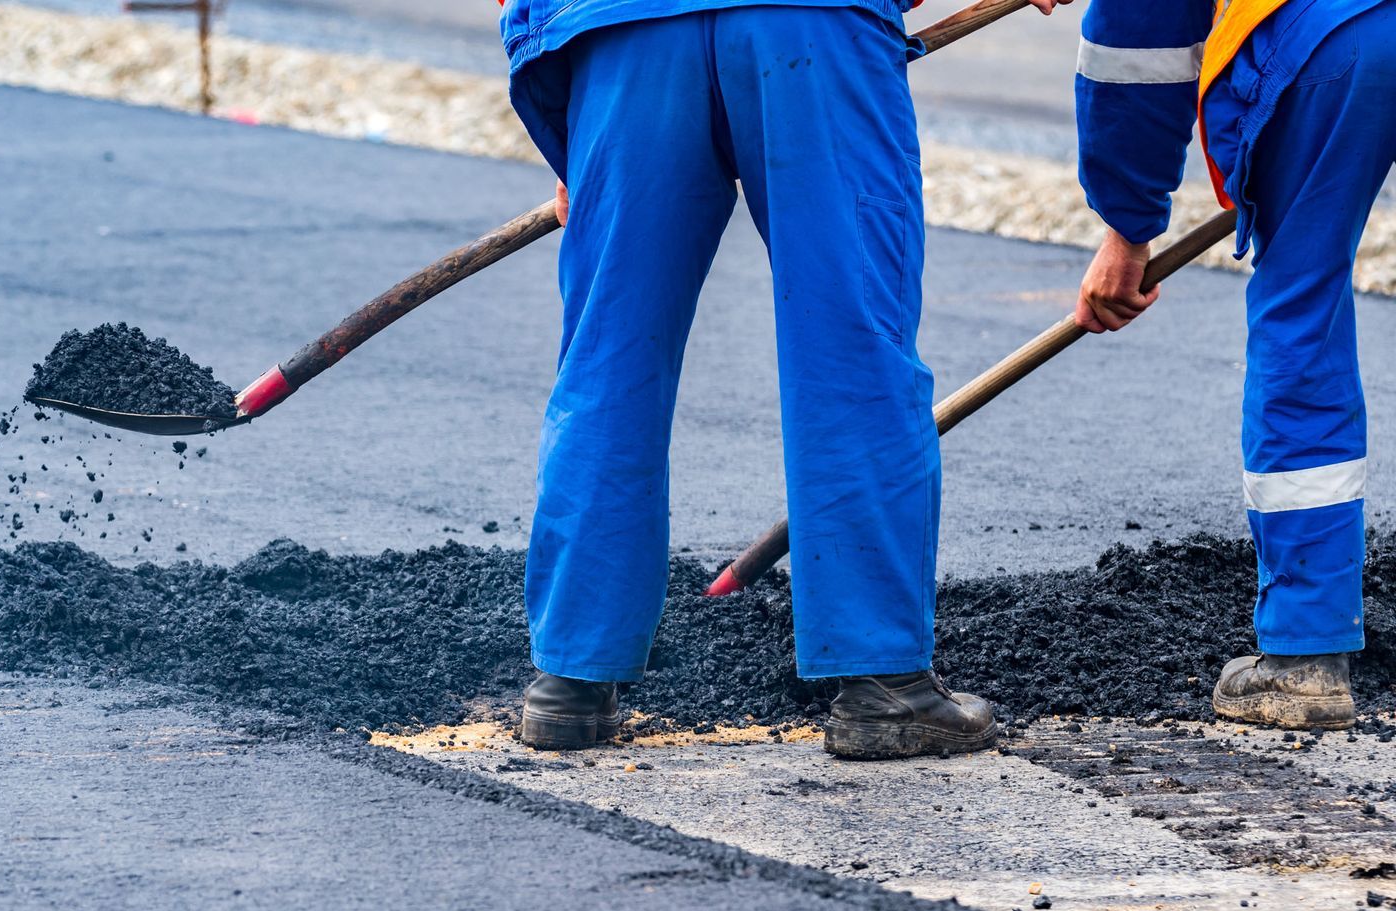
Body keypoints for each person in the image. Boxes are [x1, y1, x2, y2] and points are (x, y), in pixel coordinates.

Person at [498, 0, 1072, 759]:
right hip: (809, 27)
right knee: (851, 346)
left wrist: (569, 134)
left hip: (623, 35)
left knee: (609, 359)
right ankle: (883, 684)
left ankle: (569, 681)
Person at [1074, 0, 1395, 730]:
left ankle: (1305, 658)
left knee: (1301, 303)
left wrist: (1128, 227)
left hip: (1338, 31)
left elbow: (1138, 43)